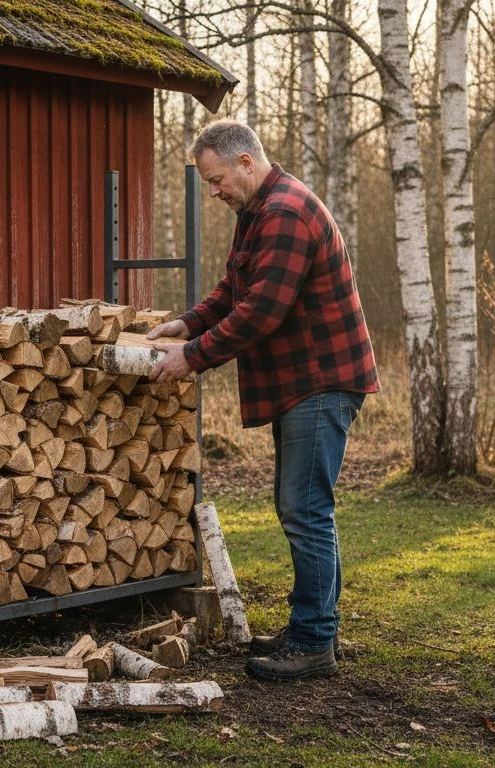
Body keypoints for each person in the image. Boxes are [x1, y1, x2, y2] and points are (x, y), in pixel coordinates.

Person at [147, 120, 379, 681]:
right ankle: (310, 627)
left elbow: (260, 313)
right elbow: (233, 293)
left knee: (306, 512)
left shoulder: (285, 214)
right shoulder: (257, 214)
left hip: (321, 382)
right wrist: (184, 324)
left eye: (218, 179)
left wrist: (192, 355)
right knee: (298, 508)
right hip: (302, 384)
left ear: (247, 162)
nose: (215, 191)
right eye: (209, 182)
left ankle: (315, 642)